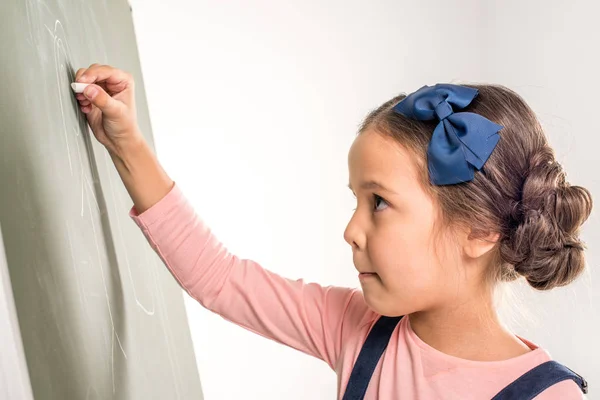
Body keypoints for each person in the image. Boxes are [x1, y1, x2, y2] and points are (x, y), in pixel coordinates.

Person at [73, 64, 591, 399]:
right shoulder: (359, 329)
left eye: (379, 202)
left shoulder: (545, 397)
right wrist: (126, 144)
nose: (351, 230)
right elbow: (219, 277)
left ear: (479, 230)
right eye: (356, 201)